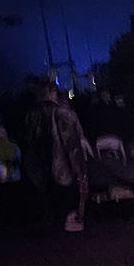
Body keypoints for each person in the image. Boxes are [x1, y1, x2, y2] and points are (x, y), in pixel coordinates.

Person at [25, 82, 89, 232]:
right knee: (66, 190)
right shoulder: (60, 112)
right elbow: (69, 141)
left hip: (43, 159)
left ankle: (54, 221)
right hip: (59, 158)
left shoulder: (33, 112)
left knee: (48, 191)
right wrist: (77, 162)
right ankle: (69, 221)